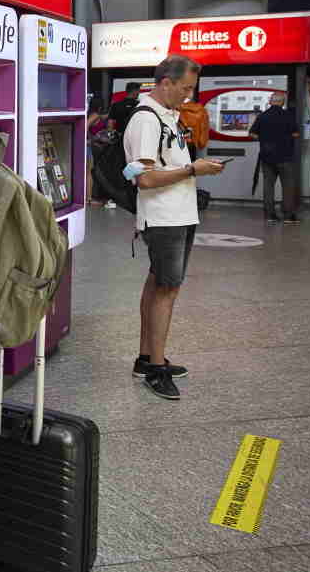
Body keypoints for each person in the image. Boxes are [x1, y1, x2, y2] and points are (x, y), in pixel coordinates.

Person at [123, 55, 224, 401]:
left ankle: (146, 358)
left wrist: (193, 167)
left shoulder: (168, 115)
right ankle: (156, 368)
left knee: (157, 283)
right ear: (165, 82)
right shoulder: (146, 120)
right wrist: (194, 170)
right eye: (185, 88)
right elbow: (146, 178)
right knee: (167, 290)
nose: (188, 95)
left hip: (178, 214)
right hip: (164, 217)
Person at [248, 92, 300, 224]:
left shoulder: (262, 116)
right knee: (288, 186)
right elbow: (296, 134)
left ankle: (270, 215)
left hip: (267, 157)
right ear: (282, 102)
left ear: (271, 102)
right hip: (285, 157)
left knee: (268, 186)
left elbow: (252, 134)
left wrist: (264, 138)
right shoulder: (288, 115)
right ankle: (288, 216)